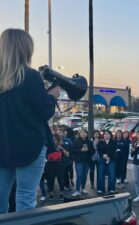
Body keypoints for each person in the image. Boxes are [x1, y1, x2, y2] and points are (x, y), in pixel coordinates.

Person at [0, 29, 59, 213]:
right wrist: (52, 96)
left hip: (3, 148)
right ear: (25, 49)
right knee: (25, 200)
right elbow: (44, 112)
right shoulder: (31, 76)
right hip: (30, 147)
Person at [46, 134, 69, 201]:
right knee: (51, 180)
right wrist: (53, 154)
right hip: (51, 165)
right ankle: (51, 194)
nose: (54, 141)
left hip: (60, 165)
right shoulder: (49, 147)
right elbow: (46, 156)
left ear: (58, 140)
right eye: (53, 139)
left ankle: (61, 193)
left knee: (60, 179)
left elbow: (67, 155)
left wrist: (62, 149)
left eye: (55, 139)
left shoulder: (63, 145)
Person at [71, 130, 94, 197]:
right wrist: (80, 150)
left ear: (86, 134)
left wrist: (88, 150)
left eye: (84, 133)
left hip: (87, 161)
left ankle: (83, 188)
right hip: (79, 161)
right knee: (79, 175)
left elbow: (93, 151)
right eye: (81, 133)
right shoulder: (76, 141)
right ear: (79, 134)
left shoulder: (89, 142)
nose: (83, 134)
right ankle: (78, 190)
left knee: (84, 176)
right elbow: (72, 150)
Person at [96, 130, 116, 195]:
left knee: (112, 174)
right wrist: (103, 155)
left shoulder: (114, 142)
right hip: (102, 159)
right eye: (105, 134)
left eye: (108, 134)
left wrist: (109, 156)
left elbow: (114, 151)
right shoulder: (101, 142)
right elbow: (99, 150)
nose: (106, 135)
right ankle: (100, 189)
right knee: (101, 174)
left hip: (111, 159)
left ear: (110, 135)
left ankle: (111, 189)